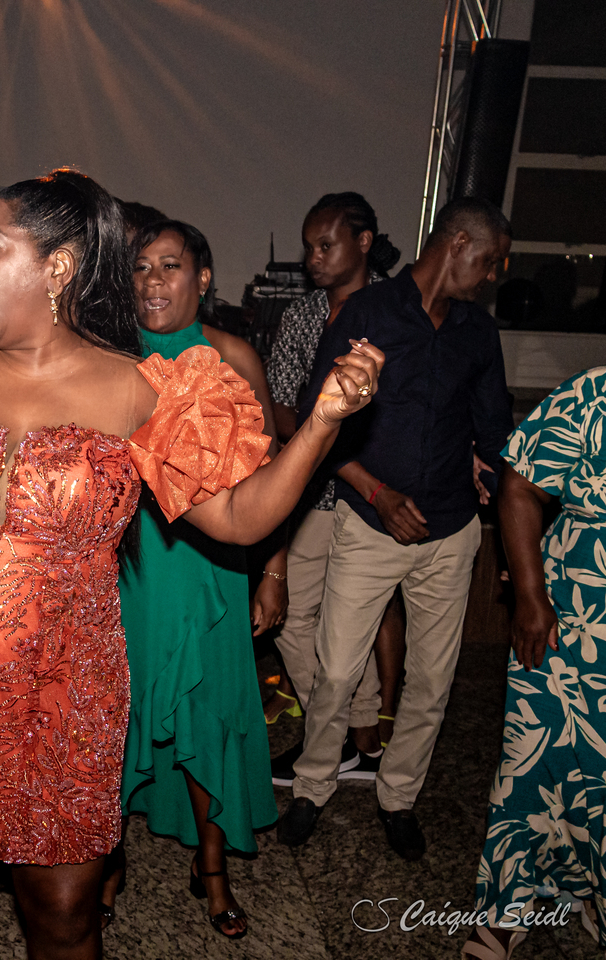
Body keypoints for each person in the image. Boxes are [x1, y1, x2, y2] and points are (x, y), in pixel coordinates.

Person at [0, 168, 382, 959]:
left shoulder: (132, 390)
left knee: (63, 919)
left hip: (57, 698)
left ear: (56, 267)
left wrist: (323, 424)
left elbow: (239, 517)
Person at [278, 196, 514, 861]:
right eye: (490, 261)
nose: (492, 276)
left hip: (452, 533)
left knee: (432, 681)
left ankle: (399, 796)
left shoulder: (477, 331)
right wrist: (377, 494)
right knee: (336, 673)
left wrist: (496, 486)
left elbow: (495, 433)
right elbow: (317, 418)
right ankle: (313, 788)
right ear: (459, 244)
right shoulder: (368, 314)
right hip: (370, 527)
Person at [115, 218, 282, 939]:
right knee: (117, 716)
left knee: (206, 712)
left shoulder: (232, 356)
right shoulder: (110, 356)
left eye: (170, 265)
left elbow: (272, 476)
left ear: (203, 277)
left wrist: (273, 571)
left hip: (211, 567)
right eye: (141, 267)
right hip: (130, 564)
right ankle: (107, 861)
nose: (153, 280)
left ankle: (212, 868)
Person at [462, 370, 606, 959]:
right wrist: (529, 595)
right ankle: (505, 909)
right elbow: (519, 486)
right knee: (535, 756)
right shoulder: (593, 394)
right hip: (573, 612)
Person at [263, 193, 403, 779]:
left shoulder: (399, 309)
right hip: (318, 487)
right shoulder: (303, 315)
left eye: (326, 245)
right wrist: (319, 426)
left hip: (380, 493)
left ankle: (353, 736)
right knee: (295, 616)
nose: (313, 258)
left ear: (363, 242)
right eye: (309, 247)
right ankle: (349, 731)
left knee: (351, 624)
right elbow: (280, 405)